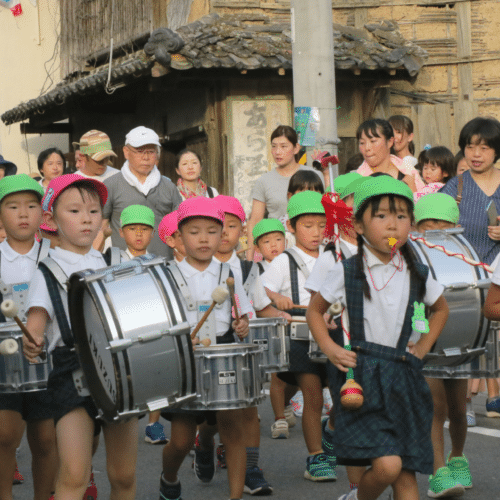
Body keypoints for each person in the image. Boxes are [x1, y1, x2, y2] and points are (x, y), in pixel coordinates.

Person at [306, 176, 449, 500]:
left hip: (403, 378)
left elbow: (440, 309)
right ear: (358, 225)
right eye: (381, 216)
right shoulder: (347, 269)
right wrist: (330, 349)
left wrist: (423, 347)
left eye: (401, 217)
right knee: (387, 466)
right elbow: (315, 311)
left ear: (411, 225)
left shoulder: (417, 271)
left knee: (407, 483)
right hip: (362, 376)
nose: (392, 225)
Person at [23, 174, 139, 500]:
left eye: (92, 211)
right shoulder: (46, 269)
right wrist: (31, 343)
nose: (86, 219)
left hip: (119, 370)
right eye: (74, 211)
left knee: (124, 475)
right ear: (50, 219)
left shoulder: (114, 262)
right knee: (74, 474)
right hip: (71, 374)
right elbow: (34, 326)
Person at [159, 196, 252, 500]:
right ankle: (169, 477)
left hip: (223, 352)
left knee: (233, 431)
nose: (203, 238)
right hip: (184, 355)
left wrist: (242, 326)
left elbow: (242, 315)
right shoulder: (168, 274)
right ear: (179, 236)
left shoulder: (230, 273)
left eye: (212, 231)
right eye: (194, 231)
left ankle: (235, 496)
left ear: (222, 233)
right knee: (181, 440)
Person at [262, 191, 336, 481]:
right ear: (291, 227)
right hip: (300, 336)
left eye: (321, 225)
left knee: (344, 396)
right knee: (313, 397)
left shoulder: (334, 255)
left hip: (333, 335)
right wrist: (276, 299)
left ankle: (330, 431)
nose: (316, 232)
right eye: (307, 225)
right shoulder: (283, 260)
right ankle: (315, 456)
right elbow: (262, 288)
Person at [0, 174, 58, 500]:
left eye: (31, 205)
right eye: (12, 206)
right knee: (5, 435)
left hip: (47, 361)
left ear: (43, 214)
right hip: (4, 362)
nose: (23, 214)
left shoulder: (55, 255)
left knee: (46, 439)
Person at [440, 116, 500, 417]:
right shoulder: (456, 186)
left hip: (499, 276)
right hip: (466, 277)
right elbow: (433, 226)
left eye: (485, 148)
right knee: (468, 338)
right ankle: (463, 404)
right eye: (470, 147)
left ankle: (495, 396)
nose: (476, 154)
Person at [414, 193, 471, 498]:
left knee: (458, 409)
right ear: (415, 226)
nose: (434, 229)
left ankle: (457, 456)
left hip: (459, 340)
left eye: (442, 223)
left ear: (456, 226)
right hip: (424, 340)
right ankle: (438, 471)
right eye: (428, 223)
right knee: (435, 407)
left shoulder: (463, 254)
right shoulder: (411, 255)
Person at [103, 126, 182, 260]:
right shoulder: (111, 185)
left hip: (163, 266)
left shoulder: (169, 187)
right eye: (140, 151)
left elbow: (181, 229)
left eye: (151, 152)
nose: (146, 157)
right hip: (124, 267)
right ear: (126, 152)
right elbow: (101, 227)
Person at [246, 125, 323, 260]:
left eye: (283, 146)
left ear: (296, 148)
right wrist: (250, 256)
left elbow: (325, 211)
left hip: (311, 246)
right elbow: (255, 220)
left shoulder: (313, 176)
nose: (277, 152)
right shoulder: (263, 181)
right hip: (276, 251)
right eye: (274, 146)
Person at [252, 218, 297, 438]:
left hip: (293, 322)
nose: (274, 245)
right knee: (278, 373)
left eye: (279, 239)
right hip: (269, 327)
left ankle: (286, 402)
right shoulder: (256, 269)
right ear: (257, 248)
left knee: (297, 372)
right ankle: (279, 418)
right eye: (267, 241)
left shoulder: (292, 263)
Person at [356, 119, 424, 193]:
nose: (367, 148)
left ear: (390, 142)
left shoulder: (409, 173)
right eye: (362, 143)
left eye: (373, 141)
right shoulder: (357, 180)